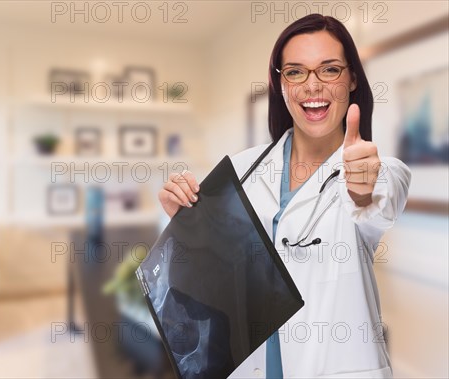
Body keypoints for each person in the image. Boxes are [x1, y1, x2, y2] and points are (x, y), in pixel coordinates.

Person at [158, 14, 411, 379]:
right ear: (281, 83)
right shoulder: (241, 168)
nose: (312, 86)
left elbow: (374, 207)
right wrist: (185, 225)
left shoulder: (382, 171)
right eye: (295, 72)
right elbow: (211, 282)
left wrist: (362, 191)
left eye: (330, 70)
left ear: (352, 78)